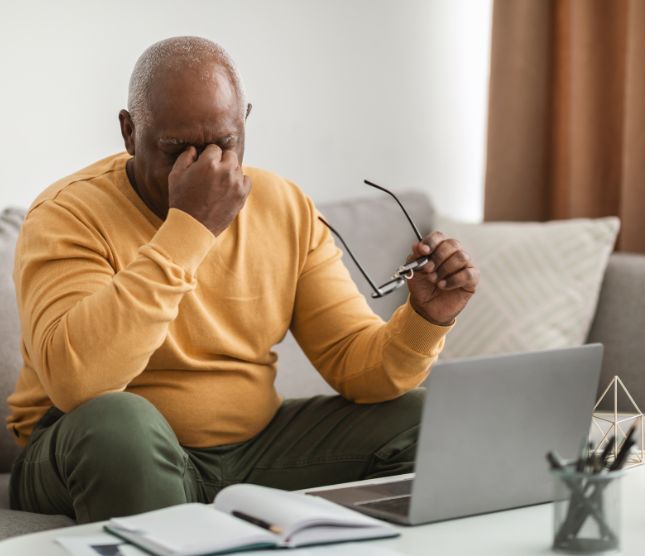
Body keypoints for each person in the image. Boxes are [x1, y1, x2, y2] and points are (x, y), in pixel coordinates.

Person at [7, 36, 479, 523]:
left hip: (253, 451)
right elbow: (78, 383)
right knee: (117, 423)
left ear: (245, 121)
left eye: (224, 144)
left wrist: (425, 318)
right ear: (129, 132)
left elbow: (356, 367)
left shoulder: (284, 206)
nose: (205, 167)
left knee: (426, 419)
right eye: (175, 150)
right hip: (89, 447)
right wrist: (190, 230)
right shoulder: (66, 213)